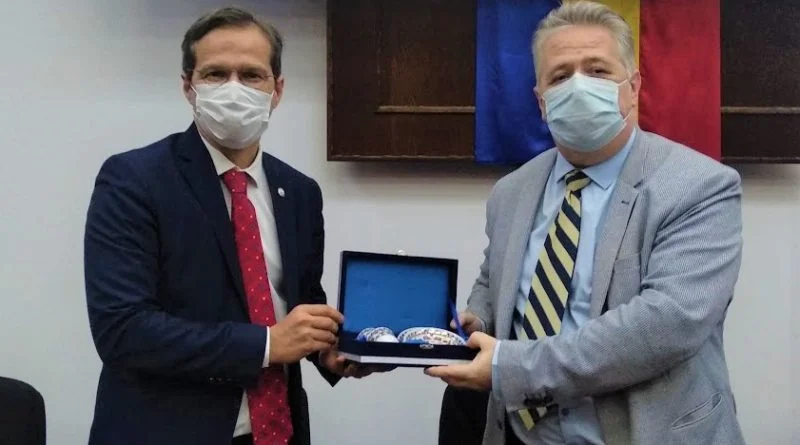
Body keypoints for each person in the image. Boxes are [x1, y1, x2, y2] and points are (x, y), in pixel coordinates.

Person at [425, 2, 746, 444]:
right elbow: (494, 282)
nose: (578, 86)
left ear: (633, 88)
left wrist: (509, 367)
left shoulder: (699, 186)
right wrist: (475, 323)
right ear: (541, 102)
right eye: (560, 77)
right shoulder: (511, 192)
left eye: (597, 71)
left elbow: (664, 326)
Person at [83, 7, 373, 445]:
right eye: (216, 74)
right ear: (188, 86)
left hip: (276, 431)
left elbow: (298, 303)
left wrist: (329, 350)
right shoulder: (133, 180)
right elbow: (123, 330)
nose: (234, 89)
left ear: (277, 90)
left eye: (252, 75)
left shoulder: (299, 192)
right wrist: (267, 345)